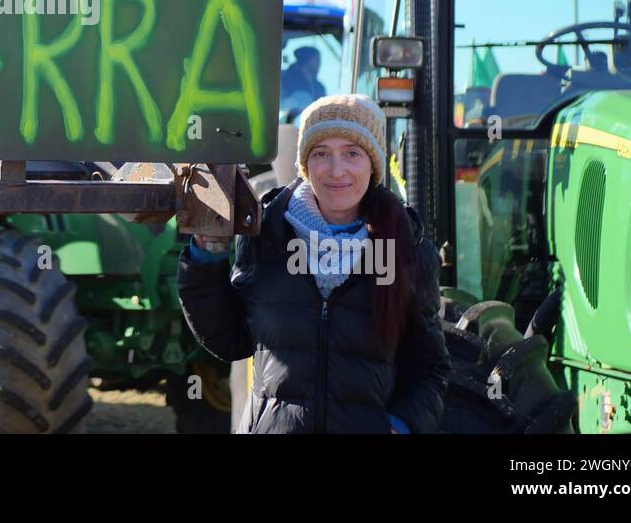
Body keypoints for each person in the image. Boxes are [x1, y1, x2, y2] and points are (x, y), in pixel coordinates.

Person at [177, 94, 450, 433]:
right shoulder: (268, 234)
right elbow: (229, 340)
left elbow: (429, 369)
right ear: (305, 165)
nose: (337, 171)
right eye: (321, 154)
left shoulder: (407, 248)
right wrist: (205, 258)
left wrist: (400, 425)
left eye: (352, 153)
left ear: (373, 163)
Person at [280, 46, 326, 118]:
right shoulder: (286, 79)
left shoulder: (319, 87)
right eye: (316, 60)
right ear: (306, 60)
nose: (319, 63)